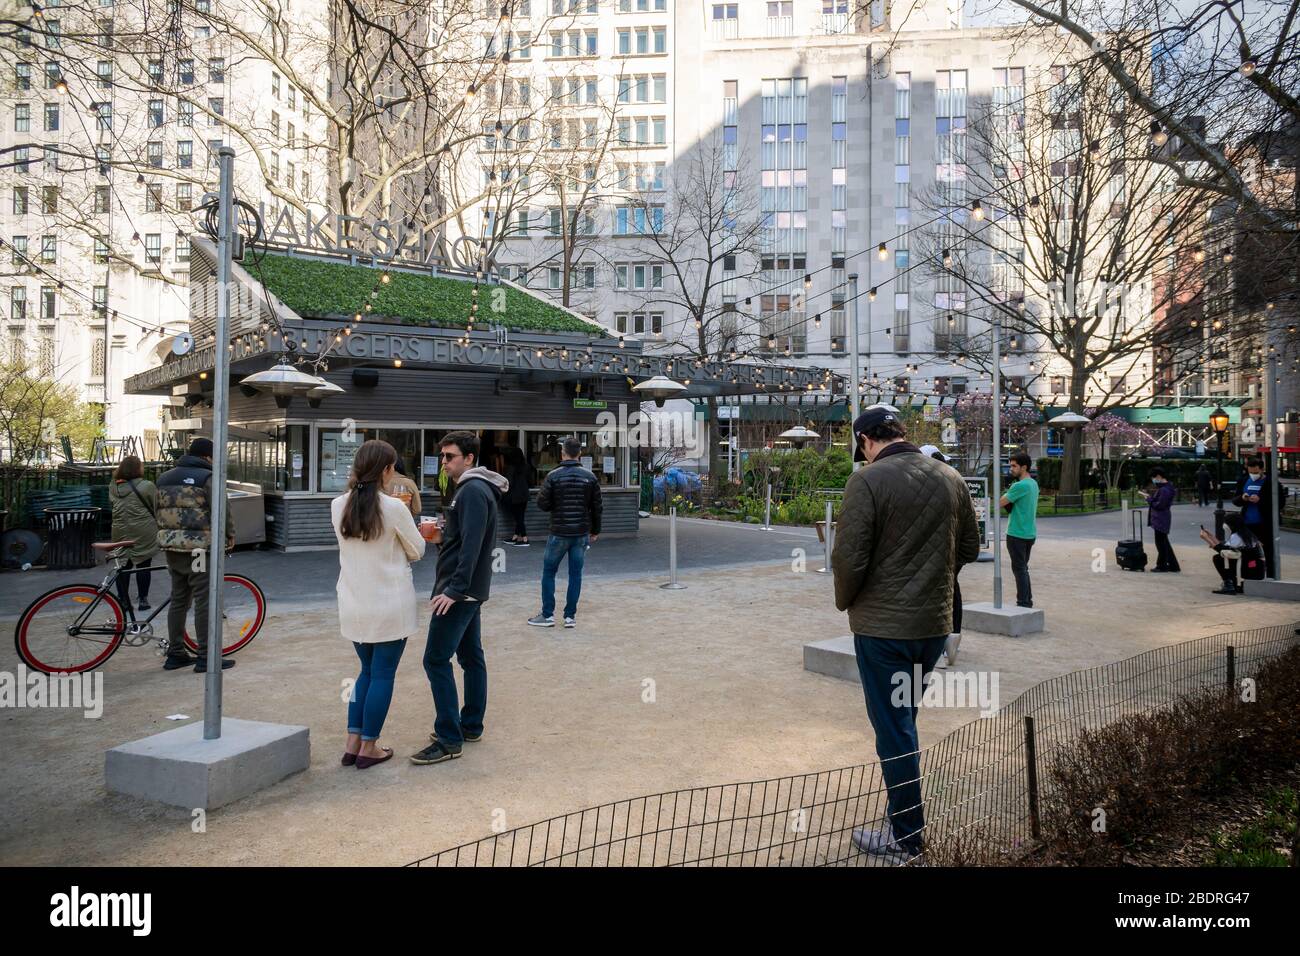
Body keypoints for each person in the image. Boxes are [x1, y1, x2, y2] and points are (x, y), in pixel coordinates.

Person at [832, 408, 981, 862]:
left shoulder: (868, 481)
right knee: (904, 722)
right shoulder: (949, 476)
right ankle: (902, 817)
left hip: (883, 628)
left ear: (864, 440)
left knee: (894, 730)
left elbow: (849, 559)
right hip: (932, 626)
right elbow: (971, 547)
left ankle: (906, 837)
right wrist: (932, 579)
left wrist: (847, 600)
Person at [411, 431, 507, 766]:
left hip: (459, 591)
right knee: (470, 657)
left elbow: (473, 546)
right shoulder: (472, 490)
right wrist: (442, 536)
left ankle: (451, 738)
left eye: (450, 456)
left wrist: (454, 589)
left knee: (435, 660)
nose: (444, 462)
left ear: (469, 458)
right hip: (467, 589)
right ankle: (470, 725)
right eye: (442, 456)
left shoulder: (472, 490)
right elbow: (464, 539)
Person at [332, 440, 426, 769]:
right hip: (389, 604)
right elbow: (418, 550)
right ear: (387, 470)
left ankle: (352, 743)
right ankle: (369, 747)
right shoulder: (395, 508)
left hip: (354, 601)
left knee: (366, 671)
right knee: (383, 674)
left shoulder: (337, 504)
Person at [155, 437, 235, 673]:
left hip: (171, 546)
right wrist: (230, 534)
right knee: (204, 599)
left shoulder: (163, 478)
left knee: (179, 598)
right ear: (207, 457)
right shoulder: (207, 478)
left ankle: (176, 653)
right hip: (199, 549)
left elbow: (155, 510)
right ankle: (206, 656)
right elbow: (221, 509)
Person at [528, 437, 603, 629]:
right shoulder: (590, 477)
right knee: (575, 574)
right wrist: (595, 530)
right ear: (580, 454)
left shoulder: (553, 476)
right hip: (580, 533)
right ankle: (570, 617)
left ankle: (547, 615)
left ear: (562, 453)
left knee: (549, 572)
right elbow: (597, 507)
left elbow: (542, 504)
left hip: (558, 532)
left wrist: (557, 503)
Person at [921, 444, 965, 666]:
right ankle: (951, 640)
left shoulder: (922, 486)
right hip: (952, 551)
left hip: (933, 552)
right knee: (951, 591)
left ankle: (939, 644)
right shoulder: (954, 482)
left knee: (932, 596)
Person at [108, 455, 159, 613]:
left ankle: (123, 600)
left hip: (119, 530)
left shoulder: (113, 486)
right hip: (143, 530)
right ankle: (143, 599)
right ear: (138, 469)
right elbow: (157, 506)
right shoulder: (147, 486)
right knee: (144, 565)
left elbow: (112, 504)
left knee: (123, 565)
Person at [999, 450, 1039, 608]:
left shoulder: (1019, 485)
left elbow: (1000, 502)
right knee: (1023, 569)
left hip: (1016, 533)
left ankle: (1023, 602)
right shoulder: (1033, 484)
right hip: (1029, 533)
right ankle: (1027, 600)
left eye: (1014, 466)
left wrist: (1005, 494)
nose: (1011, 469)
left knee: (1019, 570)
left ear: (1024, 467)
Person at [1199, 513, 1265, 595]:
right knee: (1224, 557)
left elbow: (1223, 551)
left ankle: (1229, 586)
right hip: (1255, 569)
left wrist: (1206, 538)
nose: (1224, 525)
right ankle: (1232, 584)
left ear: (1231, 524)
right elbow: (1224, 547)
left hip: (1251, 570)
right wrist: (1211, 536)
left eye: (1225, 522)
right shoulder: (1244, 533)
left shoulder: (1237, 536)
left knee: (1218, 558)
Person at [1235, 456, 1275, 574]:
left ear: (1262, 469)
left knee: (1267, 550)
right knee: (1247, 551)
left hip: (1264, 523)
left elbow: (1279, 502)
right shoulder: (1243, 480)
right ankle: (1248, 574)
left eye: (1256, 472)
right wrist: (1243, 498)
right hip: (1247, 522)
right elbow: (1235, 500)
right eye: (1250, 472)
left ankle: (1269, 573)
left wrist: (1260, 500)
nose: (1253, 474)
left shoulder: (1270, 482)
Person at [1142, 466, 1180, 573]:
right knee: (1164, 542)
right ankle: (1173, 565)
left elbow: (1159, 505)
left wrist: (1148, 499)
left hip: (1160, 518)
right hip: (1162, 518)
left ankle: (1162, 565)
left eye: (1154, 478)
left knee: (1161, 543)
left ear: (1158, 476)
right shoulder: (1168, 487)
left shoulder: (1164, 490)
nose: (1153, 481)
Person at [500, 445, 532, 547]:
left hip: (513, 496)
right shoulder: (526, 466)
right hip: (524, 495)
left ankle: (525, 539)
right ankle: (515, 537)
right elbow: (530, 481)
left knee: (519, 518)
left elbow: (509, 482)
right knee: (520, 517)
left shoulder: (510, 467)